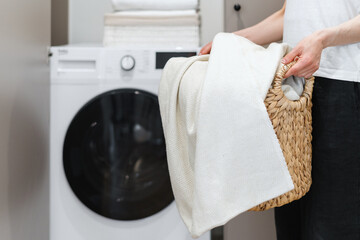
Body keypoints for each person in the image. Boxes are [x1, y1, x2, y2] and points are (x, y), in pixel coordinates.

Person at [200, 1, 360, 239]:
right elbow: (286, 15)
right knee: (290, 216)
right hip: (295, 85)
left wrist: (324, 38)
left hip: (343, 85)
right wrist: (234, 41)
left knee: (334, 220)